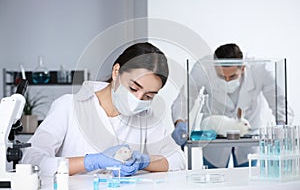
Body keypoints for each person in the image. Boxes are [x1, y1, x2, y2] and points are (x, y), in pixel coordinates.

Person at [22, 42, 186, 176]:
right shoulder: (68, 106)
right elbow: (31, 160)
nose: (138, 99)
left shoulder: (145, 117)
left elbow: (178, 160)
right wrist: (91, 161)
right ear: (116, 71)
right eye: (134, 88)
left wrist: (145, 161)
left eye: (148, 96)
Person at [171, 43, 294, 168]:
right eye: (222, 76)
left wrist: (282, 127)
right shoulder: (203, 68)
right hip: (215, 136)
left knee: (247, 180)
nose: (227, 81)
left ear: (243, 68)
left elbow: (279, 102)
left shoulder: (260, 69)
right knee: (214, 181)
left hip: (248, 136)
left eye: (233, 76)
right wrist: (180, 122)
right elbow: (184, 98)